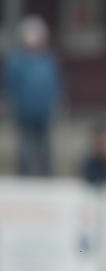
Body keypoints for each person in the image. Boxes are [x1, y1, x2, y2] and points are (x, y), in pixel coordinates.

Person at [3, 15, 61, 176]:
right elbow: (11, 86)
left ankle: (47, 176)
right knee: (25, 147)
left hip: (45, 111)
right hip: (24, 112)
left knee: (46, 147)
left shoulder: (48, 59)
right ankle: (25, 177)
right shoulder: (17, 60)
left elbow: (56, 83)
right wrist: (14, 105)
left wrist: (57, 102)